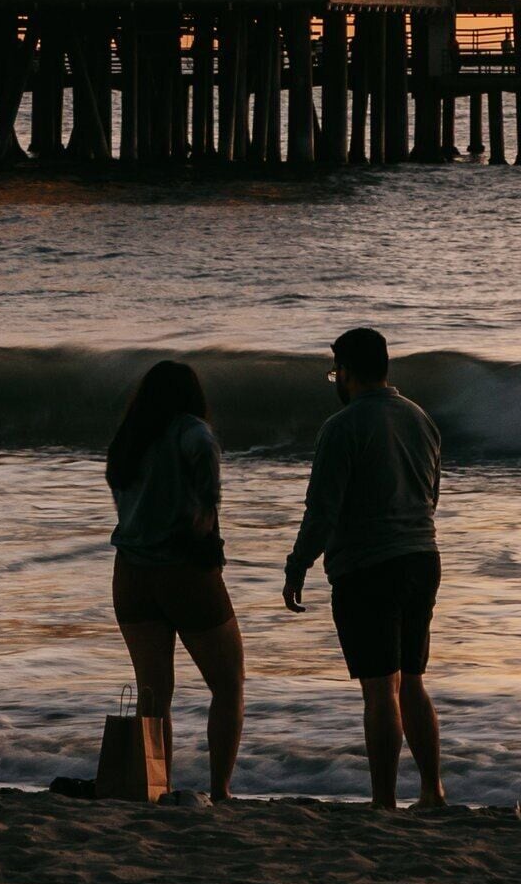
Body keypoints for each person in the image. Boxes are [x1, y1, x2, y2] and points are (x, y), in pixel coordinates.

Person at [282, 327, 446, 810]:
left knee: (379, 688)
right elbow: (431, 495)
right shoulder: (420, 419)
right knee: (412, 679)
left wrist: (297, 566)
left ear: (348, 371)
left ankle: (384, 801)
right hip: (422, 557)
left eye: (336, 371)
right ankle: (433, 790)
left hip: (368, 566)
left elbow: (323, 510)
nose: (335, 380)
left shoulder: (343, 427)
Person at [106, 359, 243, 802]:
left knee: (153, 693)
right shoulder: (191, 430)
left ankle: (155, 787)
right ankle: (219, 789)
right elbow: (203, 447)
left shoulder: (128, 438)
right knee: (228, 684)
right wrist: (205, 510)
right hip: (183, 571)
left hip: (130, 573)